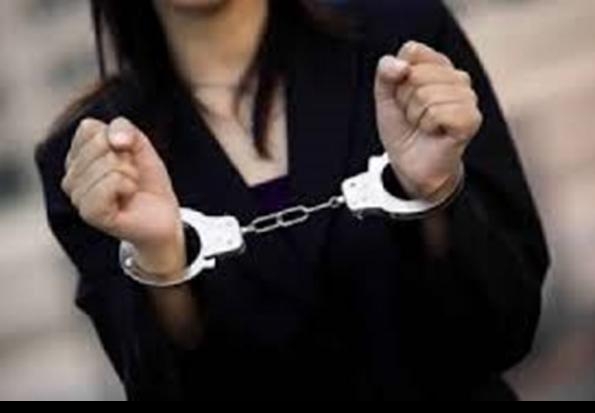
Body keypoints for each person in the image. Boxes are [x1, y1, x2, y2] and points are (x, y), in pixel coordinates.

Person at [35, 0, 550, 401]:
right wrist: (161, 260)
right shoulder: (97, 160)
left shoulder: (404, 46)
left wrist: (433, 194)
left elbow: (507, 327)